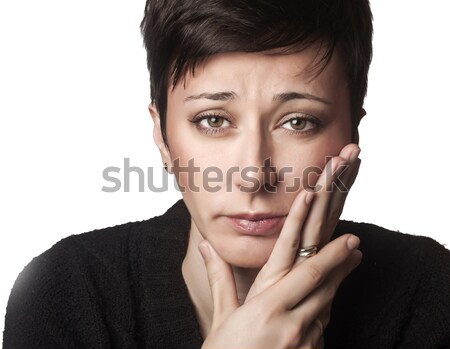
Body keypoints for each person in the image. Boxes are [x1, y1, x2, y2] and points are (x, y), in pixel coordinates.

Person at [3, 1, 450, 348]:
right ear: (161, 135)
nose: (255, 175)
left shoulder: (430, 293)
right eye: (213, 120)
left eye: (299, 122)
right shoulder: (67, 293)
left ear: (352, 131)